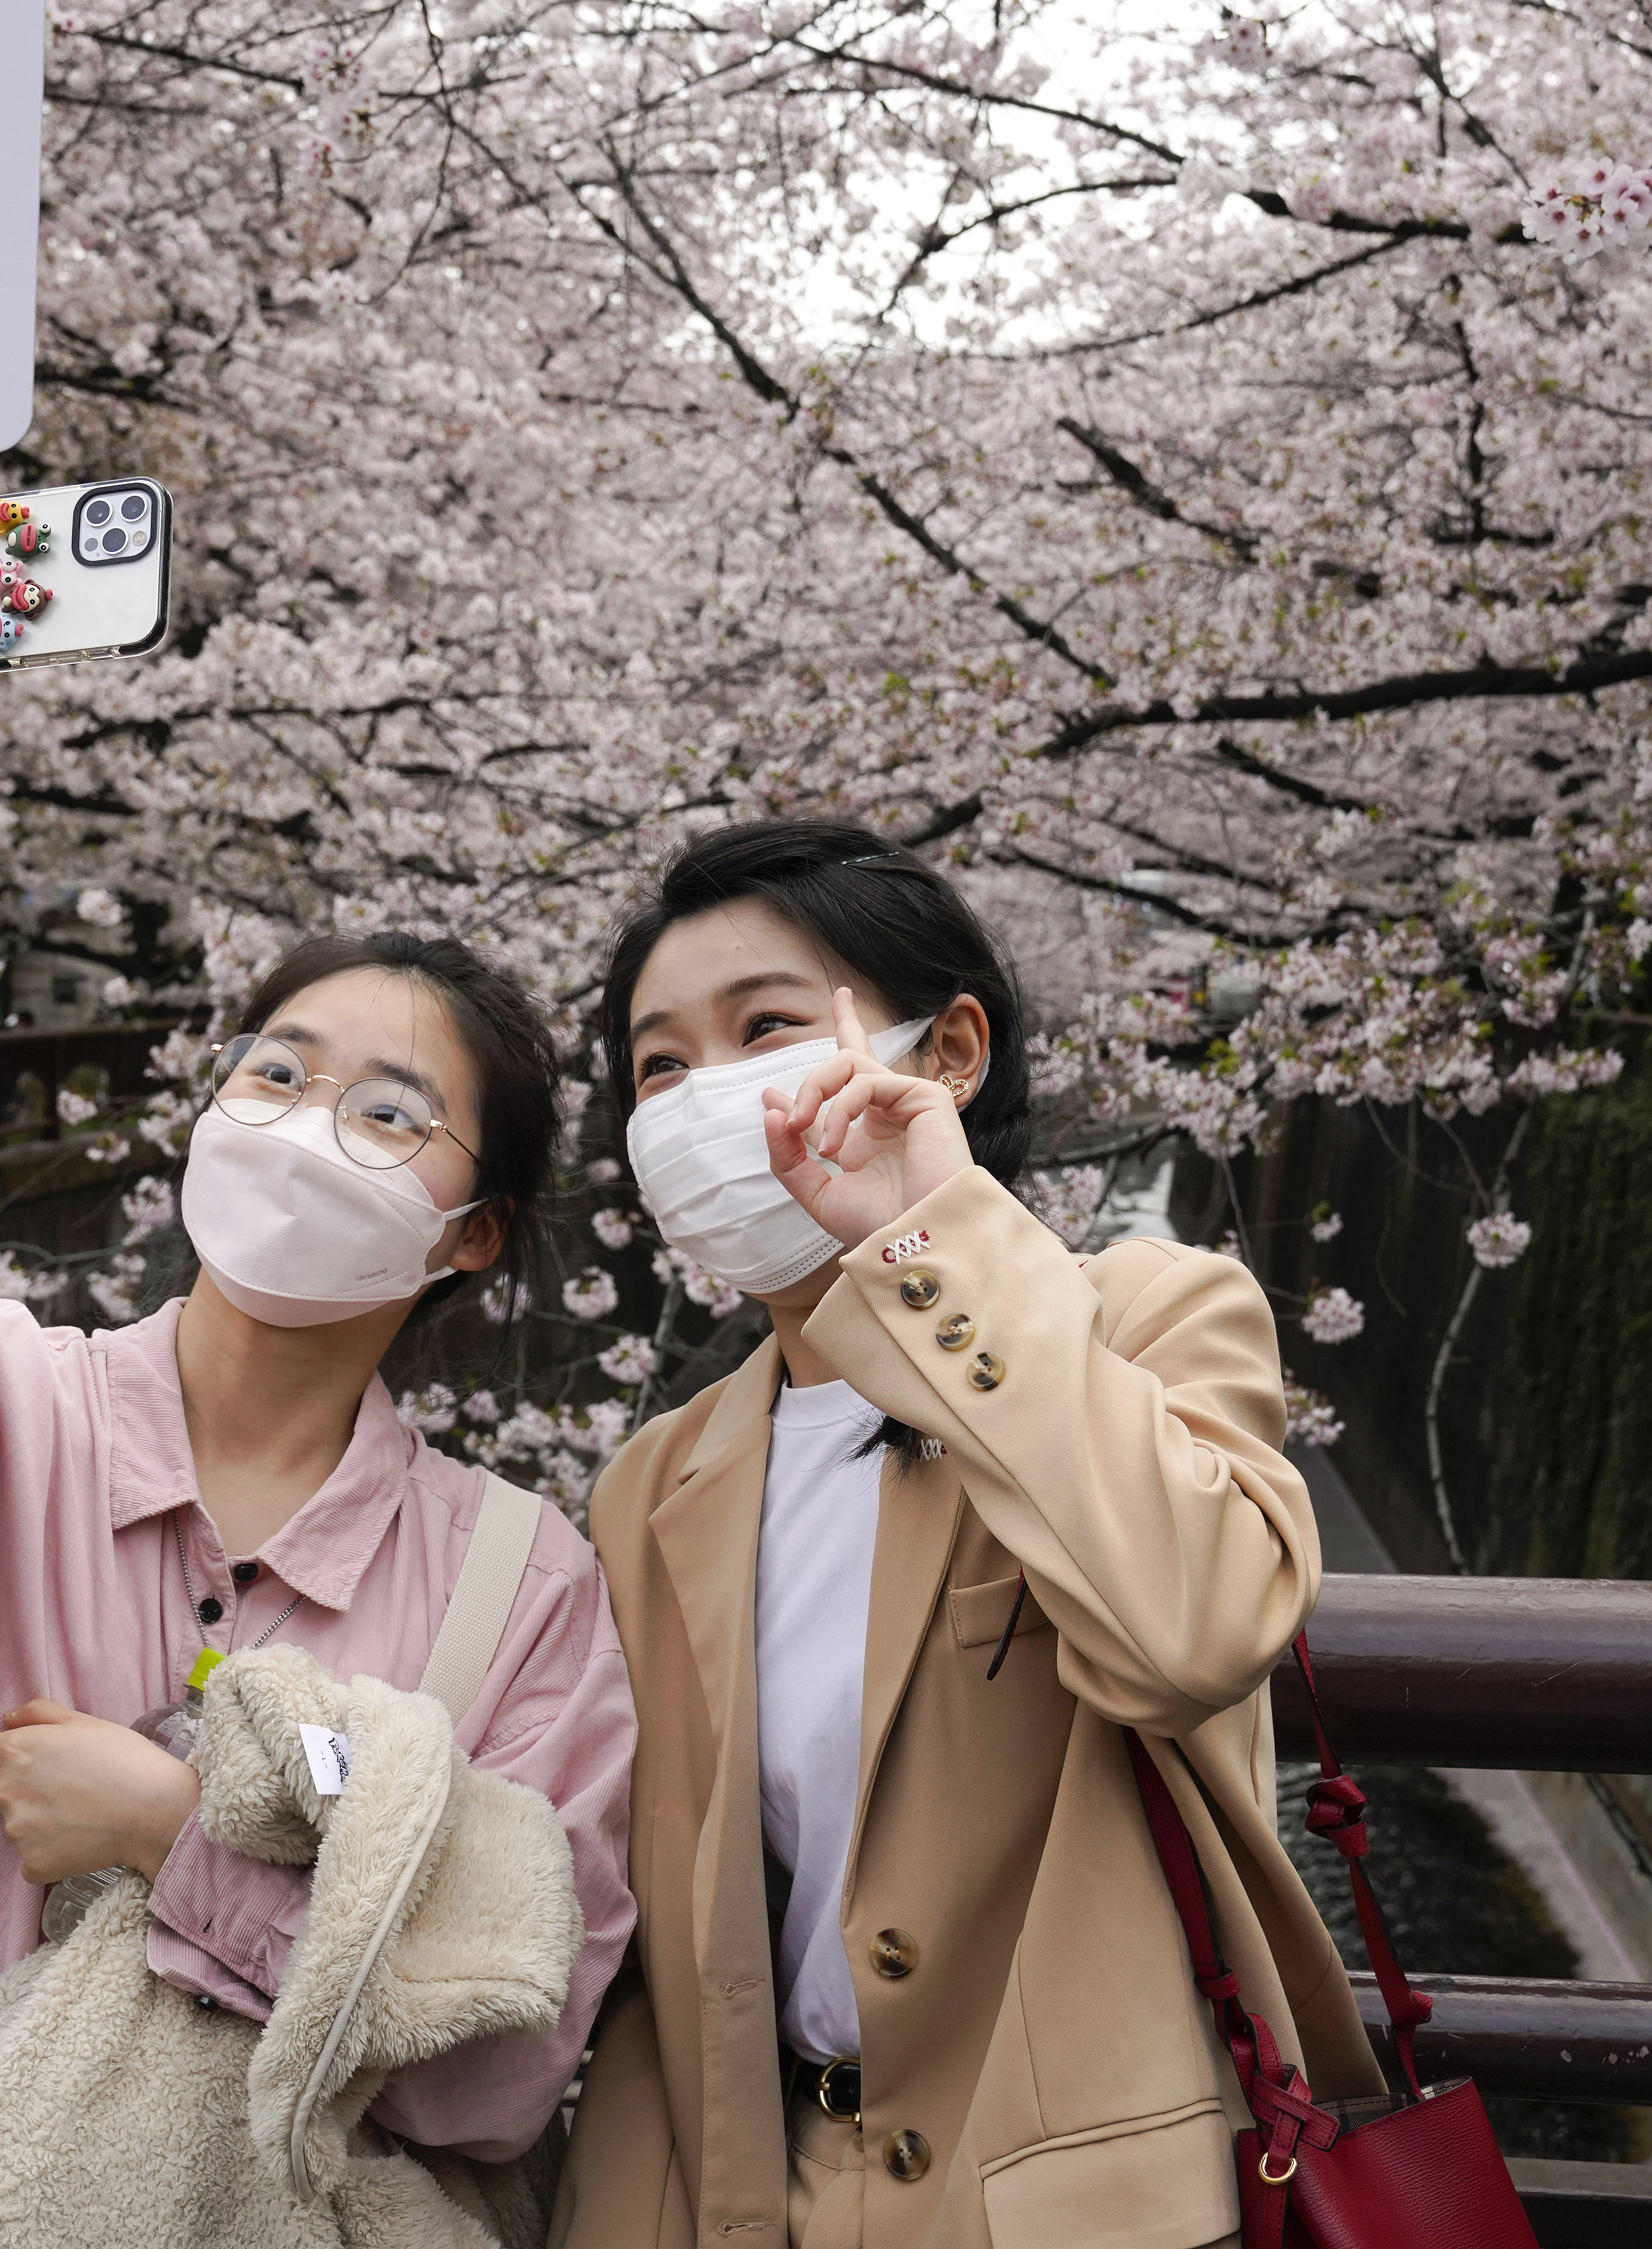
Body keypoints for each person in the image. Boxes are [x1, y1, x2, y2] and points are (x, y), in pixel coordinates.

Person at [0, 495, 637, 2249]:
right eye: (272, 1072)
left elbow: (504, 2055)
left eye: (387, 1114)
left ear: (472, 1234)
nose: (302, 1130)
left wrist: (182, 1831)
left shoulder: (521, 1587)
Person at [551, 820, 1380, 2249]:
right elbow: (661, 1938)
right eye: (661, 1065)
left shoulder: (1147, 1320)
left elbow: (1192, 1633)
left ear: (944, 1053)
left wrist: (930, 1234)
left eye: (763, 1028)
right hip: (757, 2190)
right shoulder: (656, 1482)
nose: (704, 1094)